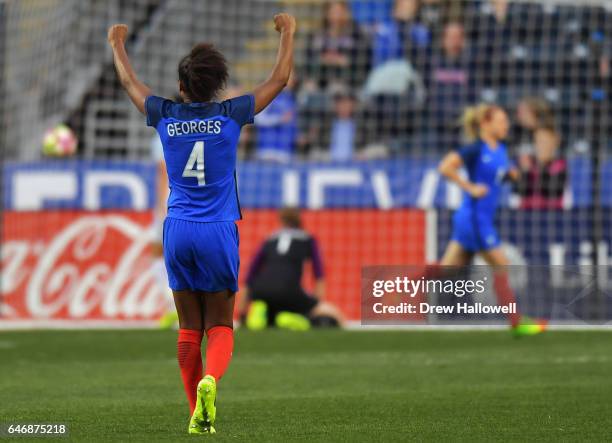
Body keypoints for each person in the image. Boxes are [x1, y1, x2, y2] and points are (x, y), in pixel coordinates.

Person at [108, 12, 296, 435]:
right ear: (218, 87)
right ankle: (212, 380)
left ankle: (198, 414)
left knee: (188, 329)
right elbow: (280, 80)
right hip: (217, 229)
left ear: (181, 88)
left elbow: (129, 84)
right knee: (221, 326)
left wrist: (118, 43)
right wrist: (288, 33)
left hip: (177, 229)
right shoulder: (232, 113)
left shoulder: (165, 115)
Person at [435, 103, 547, 336]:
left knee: (446, 269)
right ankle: (517, 323)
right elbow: (445, 167)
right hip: (474, 219)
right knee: (501, 263)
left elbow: (496, 177)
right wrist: (470, 187)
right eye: (501, 121)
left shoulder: (501, 149)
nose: (506, 125)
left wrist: (510, 175)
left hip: (479, 218)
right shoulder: (475, 149)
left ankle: (398, 285)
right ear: (486, 124)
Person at [239, 208, 344, 330]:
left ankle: (264, 315)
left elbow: (251, 272)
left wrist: (242, 309)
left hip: (260, 292)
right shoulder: (308, 239)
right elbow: (318, 272)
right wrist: (316, 303)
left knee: (271, 313)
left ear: (281, 220)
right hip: (289, 292)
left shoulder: (269, 238)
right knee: (336, 315)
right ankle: (299, 319)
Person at [516, 126, 567, 210]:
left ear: (555, 142)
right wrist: (525, 172)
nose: (540, 146)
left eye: (545, 141)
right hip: (526, 212)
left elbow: (554, 191)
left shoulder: (561, 164)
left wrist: (541, 165)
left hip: (552, 213)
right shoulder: (529, 162)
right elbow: (521, 192)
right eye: (538, 141)